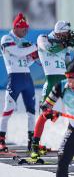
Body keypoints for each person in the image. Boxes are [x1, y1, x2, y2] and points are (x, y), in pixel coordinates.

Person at [29, 21, 74, 158]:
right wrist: (66, 44)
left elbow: (69, 64)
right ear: (59, 32)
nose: (67, 36)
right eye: (65, 34)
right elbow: (50, 49)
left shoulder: (64, 44)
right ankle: (34, 145)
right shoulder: (43, 38)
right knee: (45, 113)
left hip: (64, 81)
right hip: (51, 80)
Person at [0, 13, 38, 151]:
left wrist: (34, 57)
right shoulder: (6, 38)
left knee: (31, 111)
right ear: (16, 27)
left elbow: (25, 61)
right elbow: (18, 53)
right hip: (15, 78)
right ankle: (1, 139)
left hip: (27, 78)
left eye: (26, 28)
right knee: (8, 110)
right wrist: (35, 47)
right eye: (23, 28)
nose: (26, 31)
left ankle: (31, 141)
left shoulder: (23, 41)